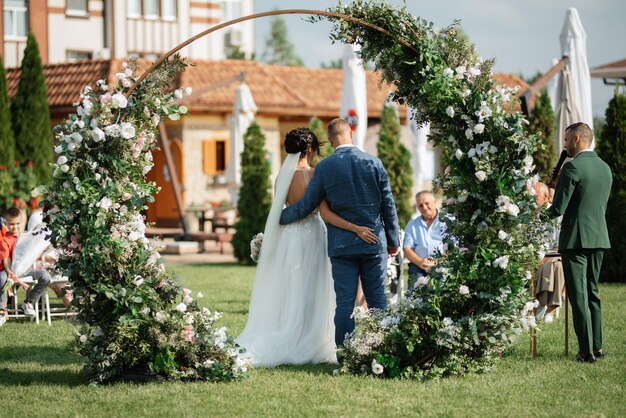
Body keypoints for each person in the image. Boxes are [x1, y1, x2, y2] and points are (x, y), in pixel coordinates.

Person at [237, 127, 378, 366]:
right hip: (312, 234)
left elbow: (281, 209)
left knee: (291, 287)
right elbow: (321, 210)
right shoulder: (314, 174)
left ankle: (288, 328)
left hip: (288, 237)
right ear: (310, 149)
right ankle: (309, 336)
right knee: (314, 287)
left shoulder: (281, 176)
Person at [280, 119, 400, 347]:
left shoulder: (325, 167)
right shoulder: (374, 163)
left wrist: (277, 218)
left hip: (342, 246)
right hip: (374, 244)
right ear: (351, 133)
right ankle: (385, 348)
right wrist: (393, 241)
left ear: (331, 139)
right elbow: (388, 206)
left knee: (344, 303)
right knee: (377, 300)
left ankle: (345, 353)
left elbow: (306, 205)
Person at [547, 122, 612, 363]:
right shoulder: (605, 168)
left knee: (578, 295)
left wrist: (535, 214)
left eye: (565, 140)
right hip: (599, 237)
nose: (563, 145)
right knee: (593, 292)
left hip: (575, 239)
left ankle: (585, 352)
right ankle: (597, 347)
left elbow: (558, 209)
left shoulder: (573, 167)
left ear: (576, 139)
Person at [0, 207, 52, 323]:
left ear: (22, 221)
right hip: (9, 271)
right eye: (12, 224)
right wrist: (8, 270)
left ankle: (29, 302)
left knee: (45, 276)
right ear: (6, 223)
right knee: (1, 278)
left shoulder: (26, 237)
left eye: (18, 223)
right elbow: (6, 257)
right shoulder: (5, 240)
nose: (15, 227)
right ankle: (2, 310)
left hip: (25, 271)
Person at [532, 181, 564, 324]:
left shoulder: (556, 214)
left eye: (535, 196)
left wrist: (545, 257)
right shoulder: (530, 215)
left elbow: (560, 244)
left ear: (545, 196)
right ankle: (542, 304)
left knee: (557, 266)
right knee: (551, 267)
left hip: (552, 256)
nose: (531, 200)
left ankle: (549, 307)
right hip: (534, 257)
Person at [403, 191, 444, 289]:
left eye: (427, 203)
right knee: (415, 292)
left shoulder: (447, 220)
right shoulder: (412, 224)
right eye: (420, 205)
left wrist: (438, 262)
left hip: (443, 264)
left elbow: (454, 247)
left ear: (434, 201)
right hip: (419, 265)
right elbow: (407, 249)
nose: (424, 207)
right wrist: (420, 262)